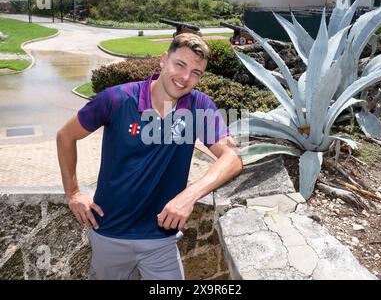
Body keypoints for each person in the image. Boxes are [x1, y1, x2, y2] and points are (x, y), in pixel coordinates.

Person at [56, 33, 243, 280]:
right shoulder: (116, 99)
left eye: (196, 73)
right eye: (180, 65)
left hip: (161, 238)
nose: (186, 78)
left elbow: (232, 158)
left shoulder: (199, 106)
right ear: (163, 60)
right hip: (109, 232)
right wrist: (73, 193)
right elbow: (65, 136)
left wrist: (188, 197)